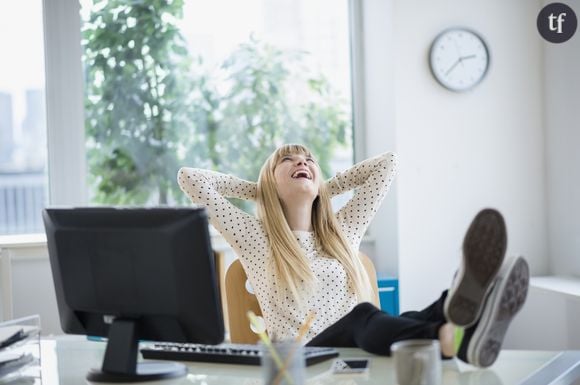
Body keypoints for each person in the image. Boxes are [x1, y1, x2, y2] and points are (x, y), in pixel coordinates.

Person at [177, 144, 529, 368]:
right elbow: (190, 179)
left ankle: (465, 316)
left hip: (358, 356)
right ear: (269, 183)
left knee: (416, 314)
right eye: (288, 160)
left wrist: (322, 187)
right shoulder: (256, 239)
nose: (302, 161)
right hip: (305, 363)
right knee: (365, 315)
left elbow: (387, 164)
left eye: (309, 160)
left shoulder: (342, 232)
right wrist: (260, 189)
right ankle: (449, 337)